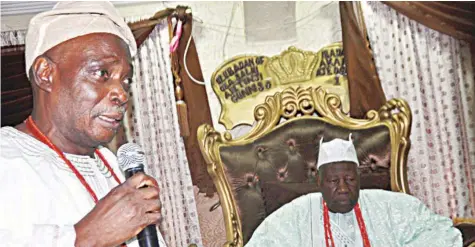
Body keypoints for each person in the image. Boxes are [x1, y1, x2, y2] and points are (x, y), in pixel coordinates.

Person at [0, 2, 167, 246]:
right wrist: (86, 237)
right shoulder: (6, 158)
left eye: (126, 80)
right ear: (45, 73)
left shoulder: (113, 165)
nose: (121, 94)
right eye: (102, 74)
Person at [245, 134, 462, 247]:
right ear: (319, 182)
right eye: (333, 180)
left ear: (359, 179)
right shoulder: (295, 215)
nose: (343, 188)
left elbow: (441, 232)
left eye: (349, 179)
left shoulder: (390, 205)